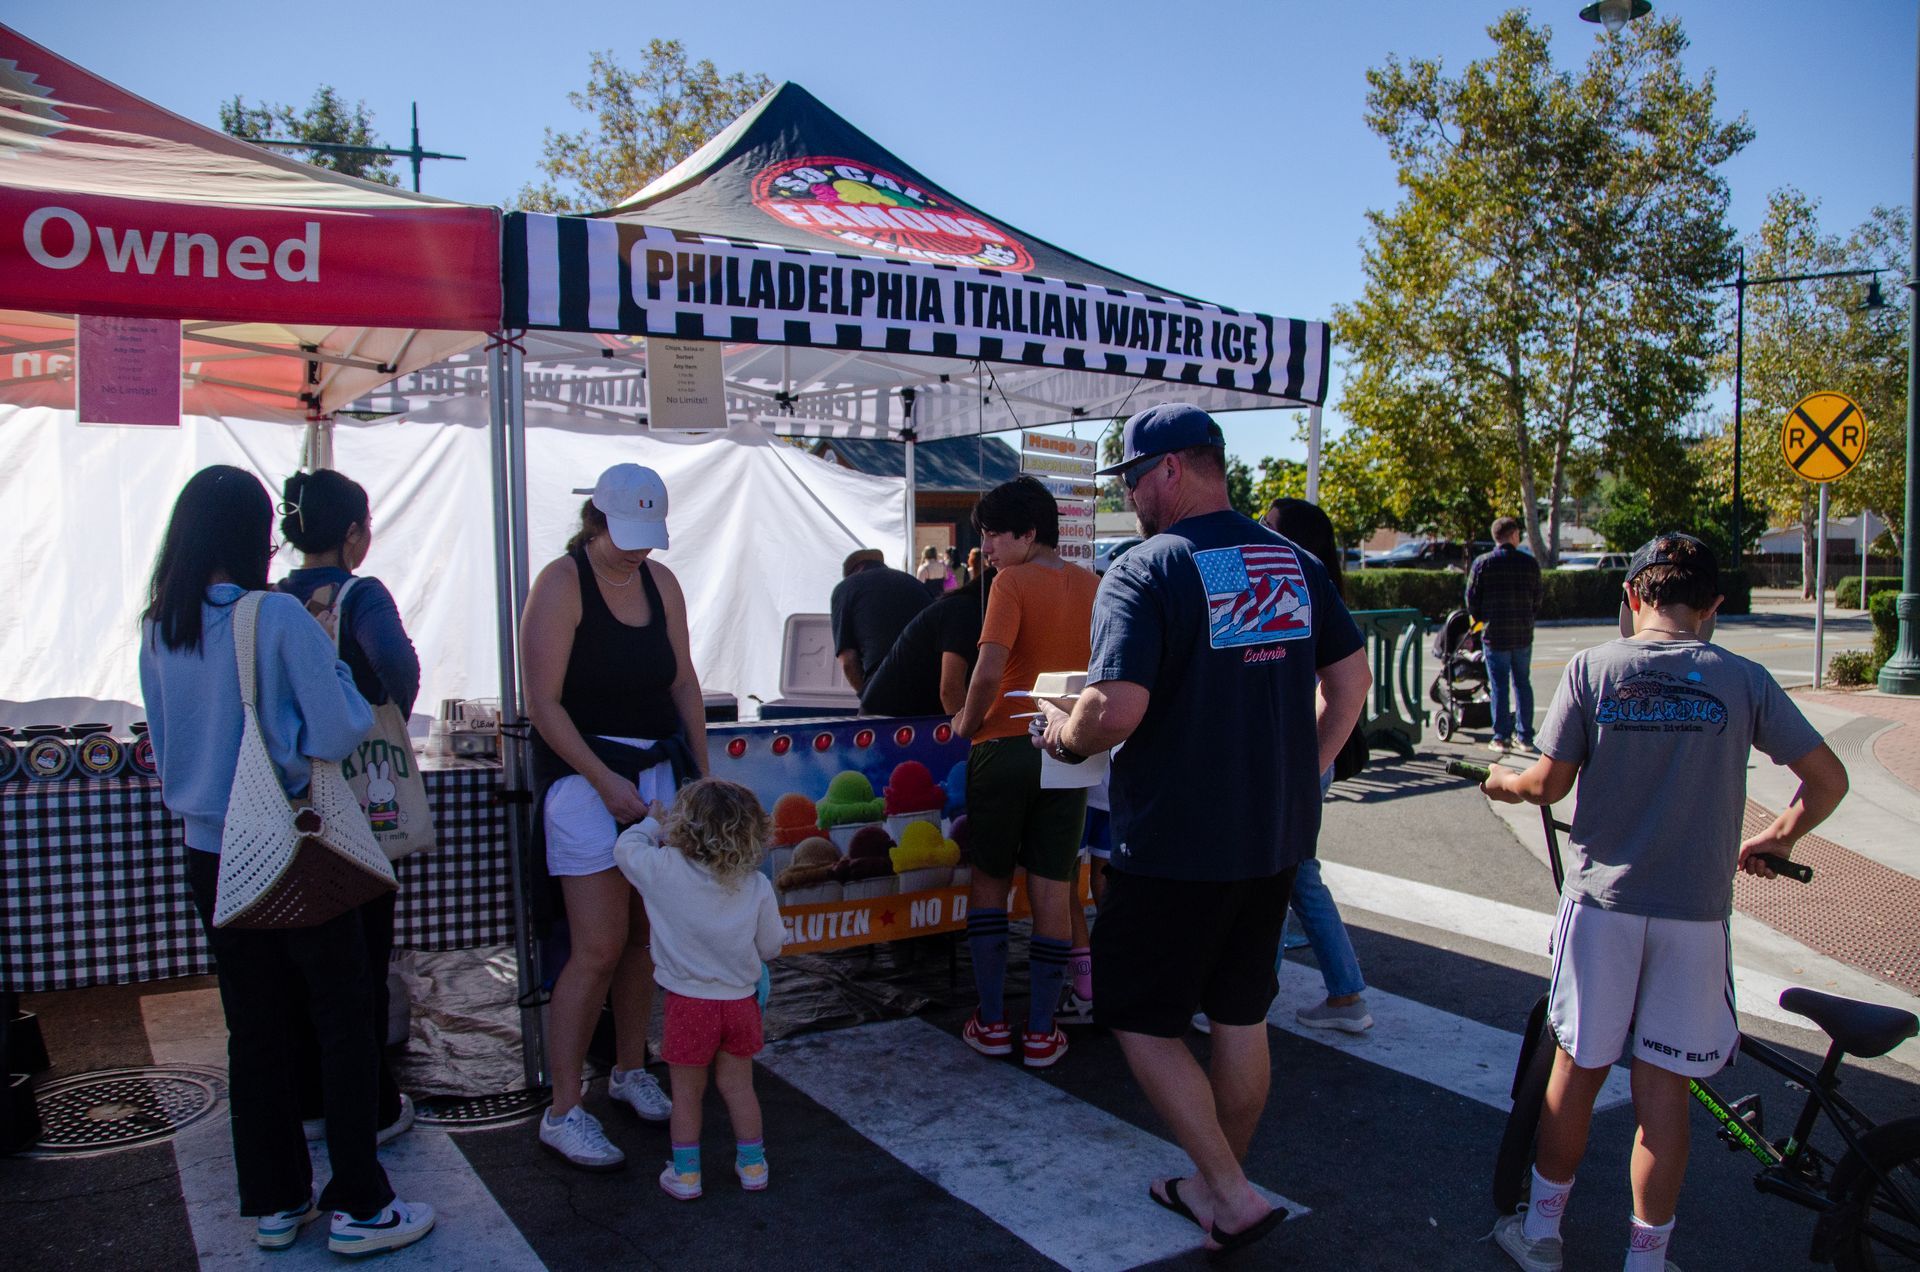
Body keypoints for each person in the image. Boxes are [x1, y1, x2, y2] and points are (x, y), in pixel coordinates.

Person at [1035, 404, 1370, 1257]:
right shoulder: (1289, 559)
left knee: (1141, 1018)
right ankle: (1221, 1183)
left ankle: (1224, 1186)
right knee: (1238, 1014)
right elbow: (1353, 677)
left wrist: (1062, 731)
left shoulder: (1144, 568)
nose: (1132, 496)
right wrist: (1311, 771)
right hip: (1274, 832)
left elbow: (1116, 710)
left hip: (1177, 838)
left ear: (1173, 469)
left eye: (1135, 479)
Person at [1482, 533, 1846, 1272]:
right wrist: (1778, 836)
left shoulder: (1593, 668)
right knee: (1664, 1095)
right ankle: (1647, 1261)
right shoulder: (1744, 680)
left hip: (1602, 912)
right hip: (1695, 919)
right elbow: (1828, 779)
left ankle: (1543, 1234)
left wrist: (1501, 781)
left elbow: (1548, 784)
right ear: (1711, 606)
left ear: (1632, 597)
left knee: (1574, 1076)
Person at [137, 465, 434, 1256]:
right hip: (294, 844)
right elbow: (340, 727)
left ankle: (275, 1203)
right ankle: (363, 1207)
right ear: (251, 535)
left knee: (255, 1029)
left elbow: (164, 747)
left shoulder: (160, 625)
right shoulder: (271, 618)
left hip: (210, 850)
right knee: (342, 1020)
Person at [521, 463, 709, 1170]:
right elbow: (544, 703)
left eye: (646, 537)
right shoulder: (561, 583)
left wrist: (701, 772)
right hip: (584, 780)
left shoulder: (662, 584)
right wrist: (602, 781)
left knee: (640, 938)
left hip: (656, 777)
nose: (637, 550)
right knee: (596, 945)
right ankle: (564, 1107)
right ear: (595, 518)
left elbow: (683, 679)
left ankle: (630, 1068)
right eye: (625, 535)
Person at [277, 468, 422, 1144]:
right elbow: (396, 663)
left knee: (302, 954)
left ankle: (306, 1095)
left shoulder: (270, 599)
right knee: (362, 953)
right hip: (361, 804)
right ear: (355, 534)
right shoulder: (361, 594)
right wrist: (381, 714)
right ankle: (369, 1102)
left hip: (291, 801)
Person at [951, 476, 1100, 1069]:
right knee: (1053, 887)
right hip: (1072, 747)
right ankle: (1041, 1031)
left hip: (1006, 743)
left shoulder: (1011, 582)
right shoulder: (1093, 585)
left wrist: (966, 720)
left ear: (1029, 533)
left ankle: (990, 1022)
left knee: (989, 879)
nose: (985, 547)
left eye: (992, 534)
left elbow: (988, 669)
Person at [614, 779, 785, 1201]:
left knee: (687, 1095)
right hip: (740, 1004)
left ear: (683, 827)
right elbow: (770, 947)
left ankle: (687, 1175)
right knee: (739, 1087)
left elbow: (624, 851)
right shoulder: (756, 884)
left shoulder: (664, 869)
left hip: (688, 1006)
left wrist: (650, 823)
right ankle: (753, 1166)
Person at [1258, 497, 1372, 1034]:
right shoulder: (1321, 589)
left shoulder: (1291, 589)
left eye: (1268, 525)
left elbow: (1347, 684)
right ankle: (1343, 994)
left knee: (1288, 876)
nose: (1257, 530)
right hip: (1303, 756)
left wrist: (1309, 764)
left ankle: (1257, 998)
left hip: (1293, 756)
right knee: (1296, 875)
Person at [857, 571, 986, 717]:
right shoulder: (965, 611)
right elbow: (950, 689)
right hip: (891, 719)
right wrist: (970, 736)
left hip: (906, 714)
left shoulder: (964, 608)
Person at [1466, 516, 1544, 755]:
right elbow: (1538, 598)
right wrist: (1528, 616)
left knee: (1499, 686)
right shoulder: (1529, 563)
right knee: (1522, 683)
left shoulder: (1483, 563)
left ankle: (1501, 737)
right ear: (1513, 535)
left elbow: (1472, 598)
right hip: (1521, 632)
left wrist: (1481, 619)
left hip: (1494, 634)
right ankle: (1525, 736)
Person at [831, 547, 931, 694]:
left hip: (886, 682)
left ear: (855, 570)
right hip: (931, 680)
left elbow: (848, 660)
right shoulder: (913, 583)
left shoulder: (846, 588)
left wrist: (867, 699)